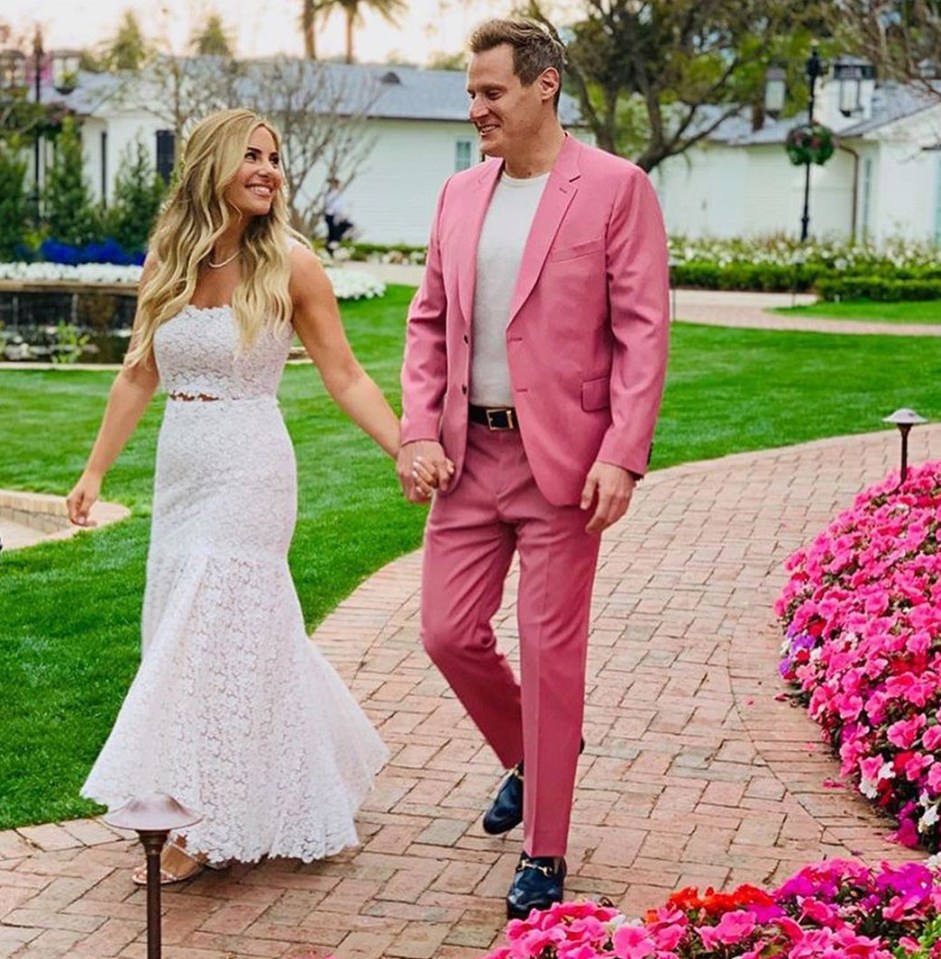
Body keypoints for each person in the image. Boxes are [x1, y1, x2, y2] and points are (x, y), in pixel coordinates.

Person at [67, 108, 424, 884]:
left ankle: (199, 819)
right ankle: (297, 779)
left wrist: (407, 446)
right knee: (203, 630)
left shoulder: (291, 263)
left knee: (210, 628)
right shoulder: (168, 257)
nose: (267, 169)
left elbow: (345, 373)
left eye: (273, 157)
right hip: (182, 468)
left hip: (250, 468)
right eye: (250, 156)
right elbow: (137, 372)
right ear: (211, 166)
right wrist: (95, 471)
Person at [396, 19, 670, 918]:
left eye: (490, 93)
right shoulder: (457, 196)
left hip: (564, 464)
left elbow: (640, 331)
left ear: (543, 86)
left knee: (553, 656)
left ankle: (543, 853)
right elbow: (429, 322)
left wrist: (622, 453)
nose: (475, 109)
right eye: (471, 94)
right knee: (445, 630)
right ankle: (533, 748)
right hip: (468, 457)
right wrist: (416, 432)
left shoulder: (616, 189)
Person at [324, 177, 354, 255]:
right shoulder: (330, 194)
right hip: (330, 216)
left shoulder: (337, 194)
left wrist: (341, 216)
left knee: (336, 233)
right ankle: (330, 250)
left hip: (336, 216)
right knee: (332, 233)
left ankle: (332, 248)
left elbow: (338, 207)